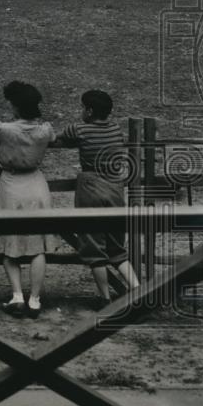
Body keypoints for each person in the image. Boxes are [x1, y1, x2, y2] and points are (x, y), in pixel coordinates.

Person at [0, 81, 56, 318]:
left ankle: (17, 295)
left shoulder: (4, 129)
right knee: (38, 245)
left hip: (12, 185)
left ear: (16, 106)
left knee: (10, 241)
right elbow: (52, 138)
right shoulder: (45, 130)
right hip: (36, 184)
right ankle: (34, 299)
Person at [57, 89, 140, 308]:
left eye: (83, 107)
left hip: (91, 186)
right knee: (116, 246)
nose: (81, 111)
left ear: (90, 111)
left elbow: (62, 136)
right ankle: (139, 291)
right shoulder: (114, 128)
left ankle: (104, 298)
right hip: (114, 187)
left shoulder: (80, 129)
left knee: (94, 246)